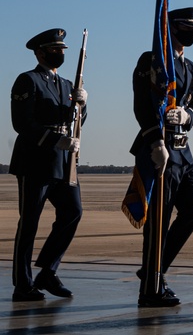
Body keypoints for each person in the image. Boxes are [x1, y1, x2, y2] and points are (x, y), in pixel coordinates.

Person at [130, 7, 193, 308]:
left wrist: (188, 115)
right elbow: (141, 105)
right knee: (157, 223)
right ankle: (150, 289)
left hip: (183, 151)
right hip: (158, 149)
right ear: (171, 28)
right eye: (186, 27)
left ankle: (154, 270)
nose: (191, 32)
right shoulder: (152, 61)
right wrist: (154, 141)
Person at [10, 28, 87, 302]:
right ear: (40, 52)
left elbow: (75, 120)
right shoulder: (28, 81)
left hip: (63, 162)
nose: (60, 53)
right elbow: (22, 124)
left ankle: (48, 271)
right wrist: (55, 140)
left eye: (62, 50)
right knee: (29, 222)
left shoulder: (67, 85)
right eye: (55, 49)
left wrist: (82, 104)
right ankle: (23, 284)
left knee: (73, 212)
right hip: (35, 160)